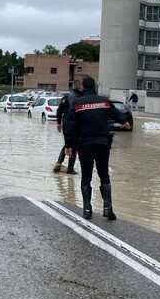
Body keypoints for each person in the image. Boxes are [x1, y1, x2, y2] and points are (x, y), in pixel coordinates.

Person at [64, 76, 129, 220]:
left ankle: (87, 210)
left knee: (86, 176)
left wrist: (68, 145)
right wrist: (124, 122)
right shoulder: (104, 101)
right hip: (102, 143)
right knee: (104, 174)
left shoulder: (77, 103)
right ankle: (108, 208)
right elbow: (117, 114)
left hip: (84, 145)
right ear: (95, 87)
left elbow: (69, 125)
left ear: (83, 87)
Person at [53, 87, 82, 174]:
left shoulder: (66, 98)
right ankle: (70, 168)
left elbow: (59, 111)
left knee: (67, 144)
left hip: (66, 124)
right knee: (74, 146)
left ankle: (58, 163)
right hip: (76, 125)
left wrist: (58, 123)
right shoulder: (80, 99)